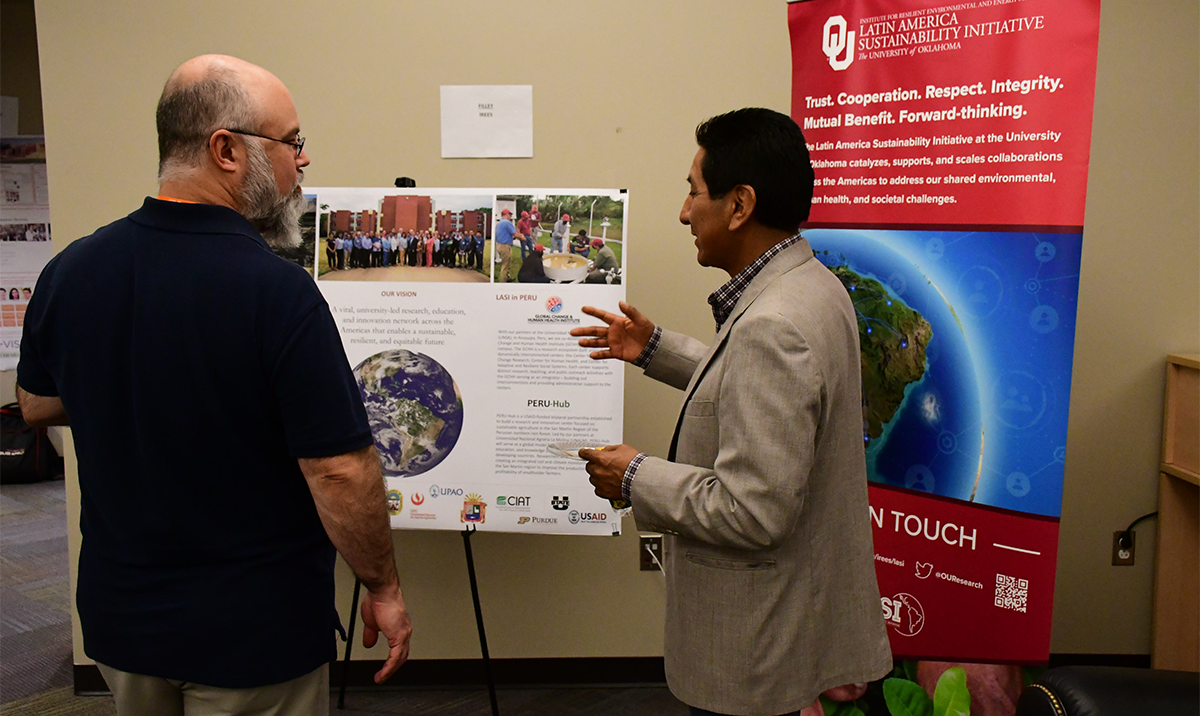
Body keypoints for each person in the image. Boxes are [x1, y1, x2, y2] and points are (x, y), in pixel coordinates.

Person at [15, 54, 412, 715]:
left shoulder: (72, 270)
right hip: (253, 637)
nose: (303, 162)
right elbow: (339, 469)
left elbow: (36, 403)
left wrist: (136, 386)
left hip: (122, 624)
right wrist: (384, 587)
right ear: (225, 150)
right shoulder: (277, 293)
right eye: (292, 142)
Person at [570, 108, 890, 716]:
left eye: (693, 192)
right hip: (793, 619)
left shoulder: (773, 324)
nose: (685, 212)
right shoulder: (812, 285)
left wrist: (635, 476)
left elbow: (752, 509)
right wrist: (655, 350)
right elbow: (764, 399)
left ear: (739, 205)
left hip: (756, 649)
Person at [494, 208, 519, 282]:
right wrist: (522, 237)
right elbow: (515, 234)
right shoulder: (507, 223)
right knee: (505, 265)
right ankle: (502, 281)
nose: (510, 216)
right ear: (505, 214)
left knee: (508, 263)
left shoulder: (499, 223)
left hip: (500, 245)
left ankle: (507, 277)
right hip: (505, 246)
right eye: (509, 214)